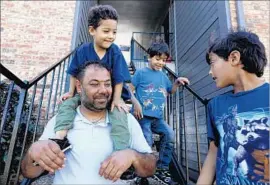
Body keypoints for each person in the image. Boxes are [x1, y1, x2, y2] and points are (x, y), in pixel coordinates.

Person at [21, 62, 156, 184]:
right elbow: (29, 172)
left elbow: (150, 168)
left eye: (107, 84)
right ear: (79, 87)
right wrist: (33, 152)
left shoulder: (126, 119)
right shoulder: (60, 121)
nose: (103, 90)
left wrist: (133, 156)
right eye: (94, 84)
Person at [55, 5, 132, 152]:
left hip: (111, 95)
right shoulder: (82, 50)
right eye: (106, 31)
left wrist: (116, 99)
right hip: (85, 95)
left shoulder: (114, 51)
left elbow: (119, 78)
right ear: (92, 31)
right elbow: (73, 72)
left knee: (119, 116)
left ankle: (121, 150)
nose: (111, 36)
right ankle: (60, 139)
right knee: (66, 106)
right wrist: (71, 93)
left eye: (114, 32)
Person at [196, 30, 269, 185]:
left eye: (212, 62)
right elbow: (213, 154)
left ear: (234, 58)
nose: (210, 71)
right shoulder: (215, 105)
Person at [130, 42, 190, 185]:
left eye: (163, 60)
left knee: (170, 135)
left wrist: (177, 82)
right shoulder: (141, 73)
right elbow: (129, 90)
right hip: (142, 116)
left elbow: (170, 90)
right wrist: (136, 103)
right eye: (157, 59)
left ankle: (161, 169)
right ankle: (141, 171)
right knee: (147, 141)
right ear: (149, 58)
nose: (160, 63)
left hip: (158, 118)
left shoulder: (163, 76)